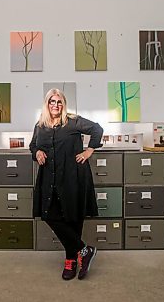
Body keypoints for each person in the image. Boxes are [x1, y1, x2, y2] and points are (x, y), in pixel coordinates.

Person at [29, 88, 103, 280]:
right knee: (49, 214)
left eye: (59, 101)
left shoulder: (73, 121)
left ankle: (71, 260)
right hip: (50, 178)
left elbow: (97, 129)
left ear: (64, 104)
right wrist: (37, 152)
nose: (56, 105)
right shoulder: (41, 125)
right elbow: (33, 145)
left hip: (72, 176)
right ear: (47, 104)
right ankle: (84, 250)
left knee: (73, 217)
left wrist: (89, 151)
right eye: (52, 101)